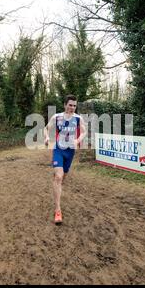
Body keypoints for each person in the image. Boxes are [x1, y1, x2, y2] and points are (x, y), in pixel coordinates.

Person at [44, 95, 86, 225]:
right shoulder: (57, 117)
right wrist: (46, 138)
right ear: (65, 105)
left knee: (62, 178)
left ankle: (58, 180)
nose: (72, 107)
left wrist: (78, 140)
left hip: (70, 152)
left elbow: (84, 131)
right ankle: (58, 210)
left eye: (74, 105)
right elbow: (46, 128)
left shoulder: (78, 118)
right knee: (58, 177)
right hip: (58, 149)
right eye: (70, 105)